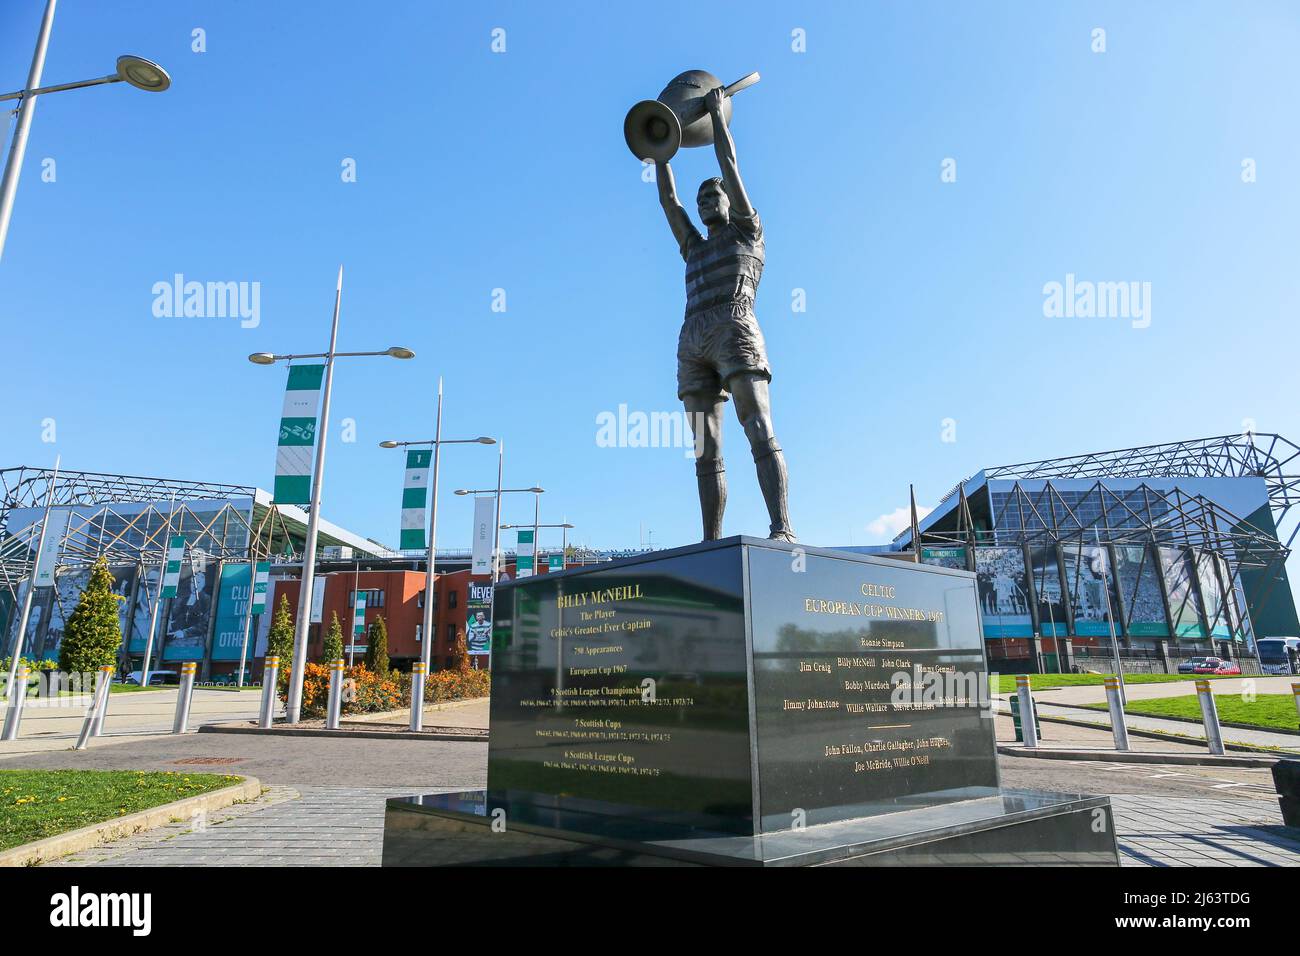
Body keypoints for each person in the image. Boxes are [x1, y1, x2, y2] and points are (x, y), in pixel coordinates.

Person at [653, 85, 794, 542]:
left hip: (735, 328)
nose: (706, 203)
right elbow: (669, 204)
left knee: (757, 427)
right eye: (702, 201)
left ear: (730, 204)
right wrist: (660, 154)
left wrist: (716, 117)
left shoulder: (748, 231)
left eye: (714, 198)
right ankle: (710, 539)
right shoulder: (692, 247)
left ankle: (781, 528)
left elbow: (729, 165)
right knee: (704, 450)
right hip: (692, 338)